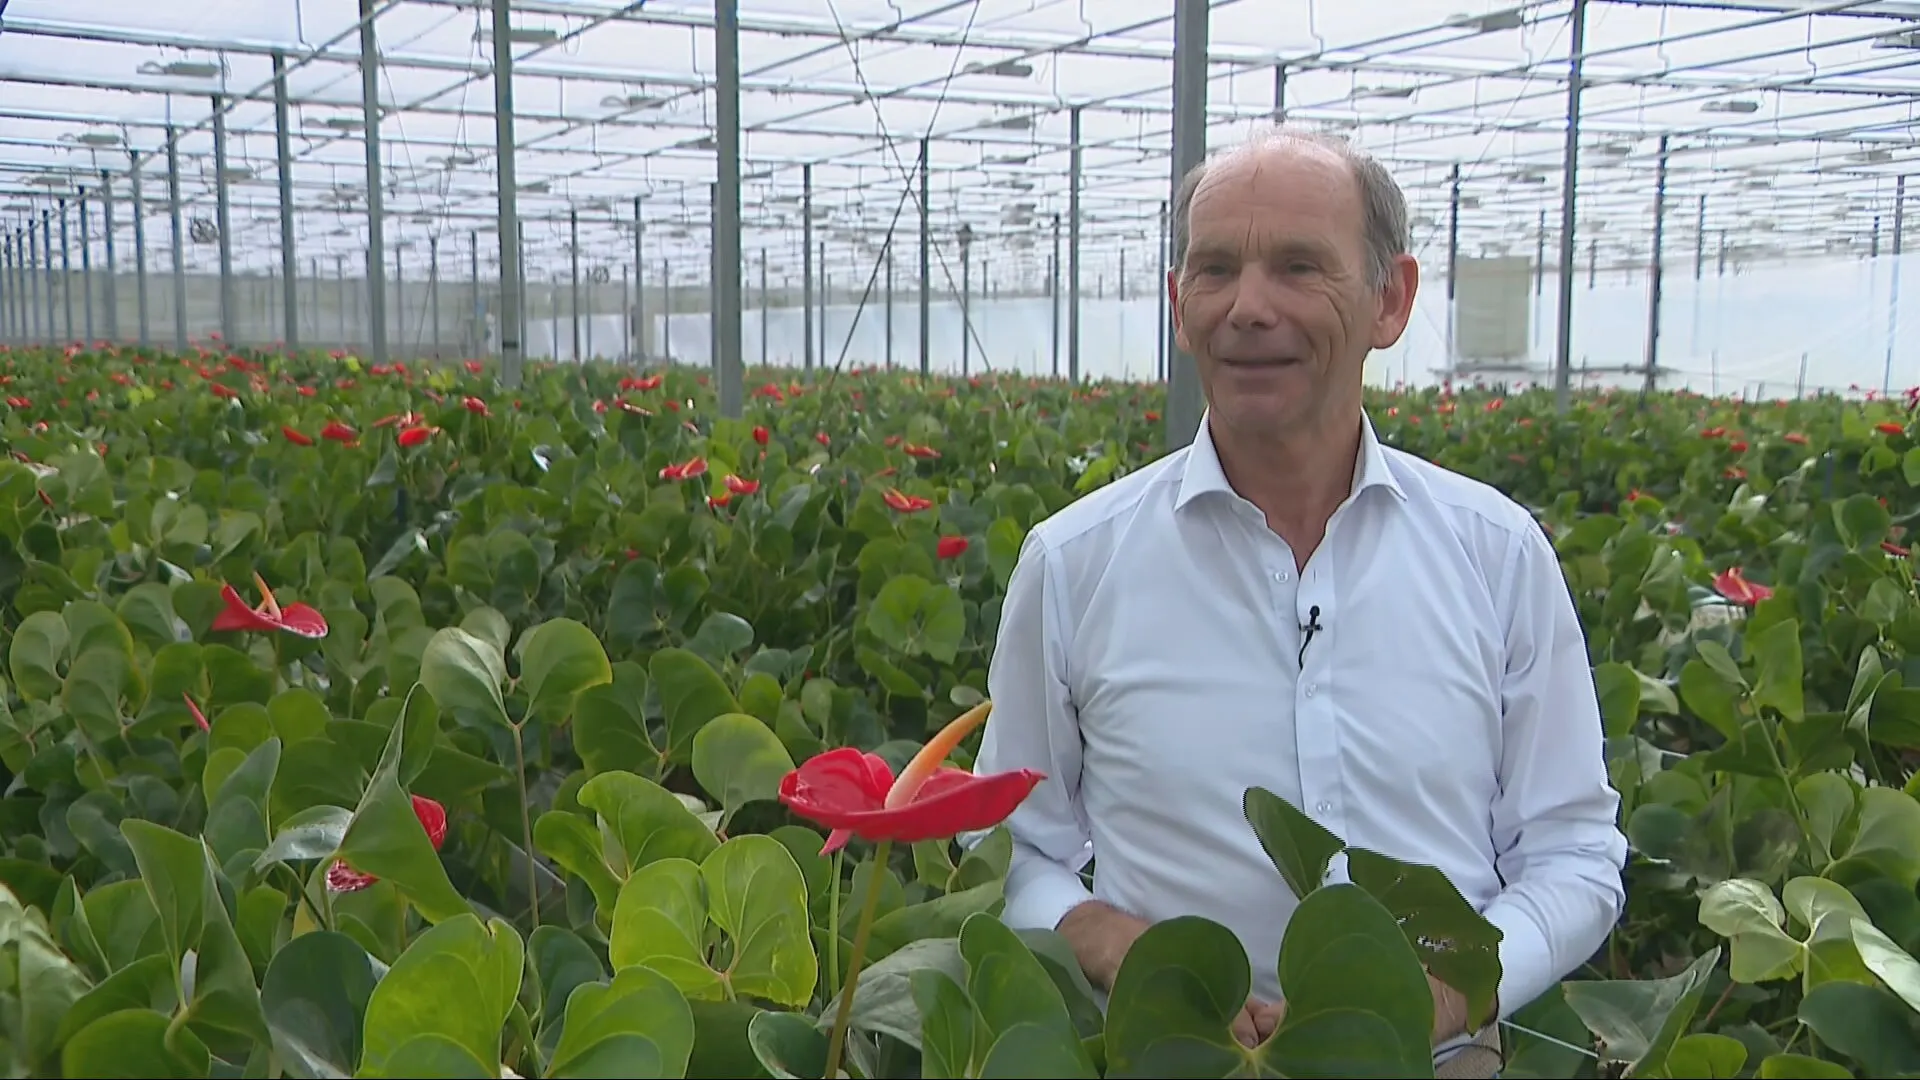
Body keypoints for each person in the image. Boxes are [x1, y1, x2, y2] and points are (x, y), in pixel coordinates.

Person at [969, 126, 1627, 1075]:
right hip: (1179, 1054)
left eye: (1298, 267)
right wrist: (1109, 939)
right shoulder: (1075, 565)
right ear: (1179, 304)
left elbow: (1571, 851)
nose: (1248, 307)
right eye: (1216, 270)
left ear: (1389, 301)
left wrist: (1449, 993)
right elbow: (1014, 852)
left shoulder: (1497, 555)